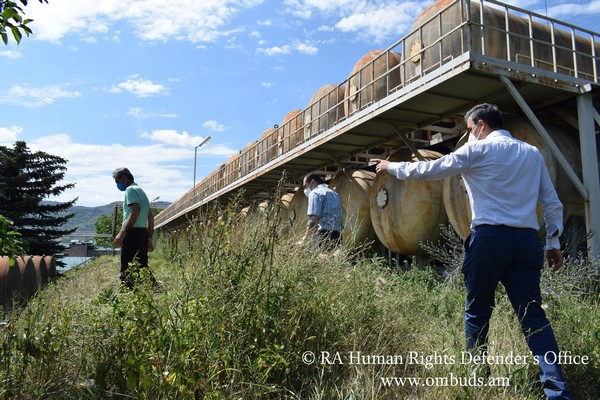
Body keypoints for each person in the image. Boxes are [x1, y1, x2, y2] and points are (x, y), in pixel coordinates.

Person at [373, 103, 570, 400]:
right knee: (533, 317)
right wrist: (553, 243)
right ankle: (557, 392)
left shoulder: (476, 151)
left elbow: (429, 169)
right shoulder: (532, 153)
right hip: (527, 241)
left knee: (477, 311)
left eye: (468, 130)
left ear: (480, 125)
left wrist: (391, 167)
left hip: (489, 238)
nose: (470, 135)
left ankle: (479, 379)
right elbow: (553, 204)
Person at [112, 167, 155, 289]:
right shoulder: (142, 192)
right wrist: (149, 238)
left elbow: (134, 212)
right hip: (142, 233)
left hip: (132, 233)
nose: (118, 185)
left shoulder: (130, 190)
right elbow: (150, 217)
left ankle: (126, 291)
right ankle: (155, 289)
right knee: (142, 264)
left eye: (117, 181)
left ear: (124, 178)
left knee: (126, 264)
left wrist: (122, 232)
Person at [301, 172, 343, 249]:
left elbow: (314, 218)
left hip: (323, 236)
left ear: (312, 182)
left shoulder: (315, 193)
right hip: (337, 236)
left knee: (319, 259)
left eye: (305, 186)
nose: (305, 189)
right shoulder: (334, 194)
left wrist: (305, 237)